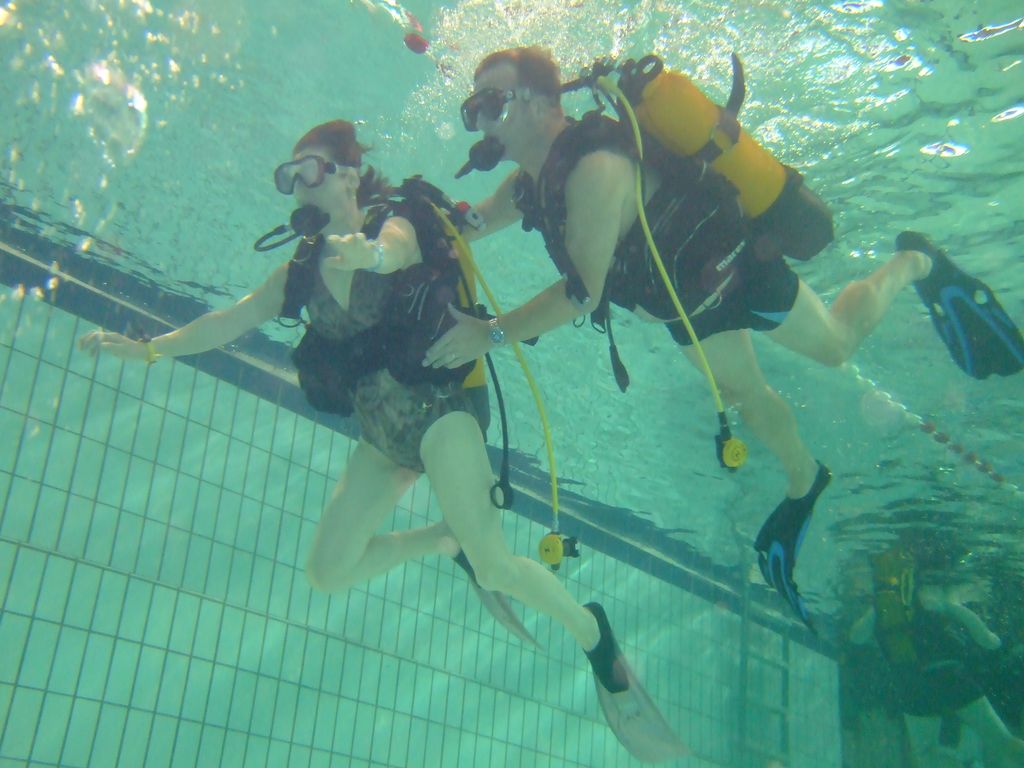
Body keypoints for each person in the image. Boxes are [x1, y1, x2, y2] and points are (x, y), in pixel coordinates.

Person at [78, 119, 686, 761]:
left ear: (347, 175)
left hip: (443, 411)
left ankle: (594, 636)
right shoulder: (299, 273)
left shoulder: (397, 222)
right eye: (289, 177)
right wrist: (151, 349)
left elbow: (392, 249)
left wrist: (367, 254)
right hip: (381, 434)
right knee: (327, 570)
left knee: (495, 567)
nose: (298, 185)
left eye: (310, 169)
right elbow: (229, 319)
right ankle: (442, 538)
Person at [423, 45, 1024, 627]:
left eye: (490, 104)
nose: (480, 121)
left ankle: (915, 262)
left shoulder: (595, 170)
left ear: (538, 103)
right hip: (686, 306)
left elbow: (582, 292)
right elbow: (469, 223)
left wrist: (490, 334)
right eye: (472, 110)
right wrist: (405, 225)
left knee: (837, 346)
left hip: (737, 270)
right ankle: (804, 477)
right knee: (743, 394)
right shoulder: (531, 184)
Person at [849, 546, 1024, 768]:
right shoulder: (940, 596)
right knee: (1002, 741)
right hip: (950, 675)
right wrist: (988, 632)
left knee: (926, 753)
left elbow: (856, 637)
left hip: (911, 684)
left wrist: (879, 606)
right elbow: (989, 642)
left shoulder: (887, 606)